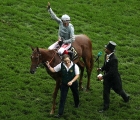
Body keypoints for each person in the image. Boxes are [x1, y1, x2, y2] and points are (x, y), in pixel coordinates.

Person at [97, 41, 130, 113]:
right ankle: (106, 106)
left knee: (118, 90)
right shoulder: (106, 55)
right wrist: (101, 69)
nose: (105, 48)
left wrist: (102, 77)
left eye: (106, 48)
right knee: (106, 92)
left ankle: (126, 97)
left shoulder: (114, 59)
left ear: (109, 50)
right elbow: (106, 65)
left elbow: (112, 72)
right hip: (107, 79)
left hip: (114, 79)